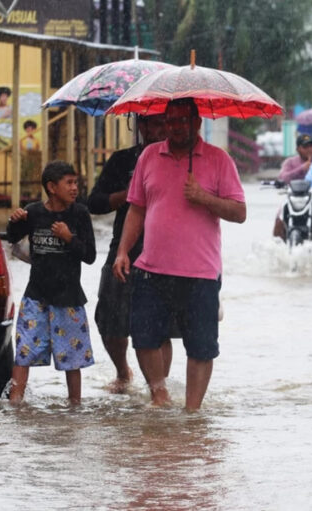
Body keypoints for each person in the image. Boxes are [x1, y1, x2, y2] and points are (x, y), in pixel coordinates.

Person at [112, 98, 246, 411]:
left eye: (184, 120)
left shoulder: (218, 160)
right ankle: (159, 396)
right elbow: (137, 208)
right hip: (151, 267)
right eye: (171, 120)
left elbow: (239, 212)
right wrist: (122, 251)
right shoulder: (149, 156)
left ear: (198, 123)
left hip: (200, 272)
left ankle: (192, 412)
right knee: (143, 336)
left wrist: (203, 197)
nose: (176, 126)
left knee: (201, 347)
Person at [88, 113, 173, 393]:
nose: (155, 129)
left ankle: (157, 386)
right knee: (109, 319)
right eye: (148, 123)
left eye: (161, 123)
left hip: (166, 249)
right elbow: (95, 203)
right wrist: (130, 193)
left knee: (159, 325)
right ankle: (123, 372)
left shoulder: (180, 160)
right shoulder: (123, 160)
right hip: (124, 247)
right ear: (139, 126)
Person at [6, 161, 96, 404]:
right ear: (52, 187)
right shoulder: (34, 212)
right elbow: (13, 238)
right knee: (24, 353)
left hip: (69, 298)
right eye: (69, 183)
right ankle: (15, 404)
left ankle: (74, 406)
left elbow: (89, 256)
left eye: (76, 182)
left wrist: (69, 238)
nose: (75, 188)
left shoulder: (79, 214)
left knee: (72, 359)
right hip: (36, 296)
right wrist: (14, 220)